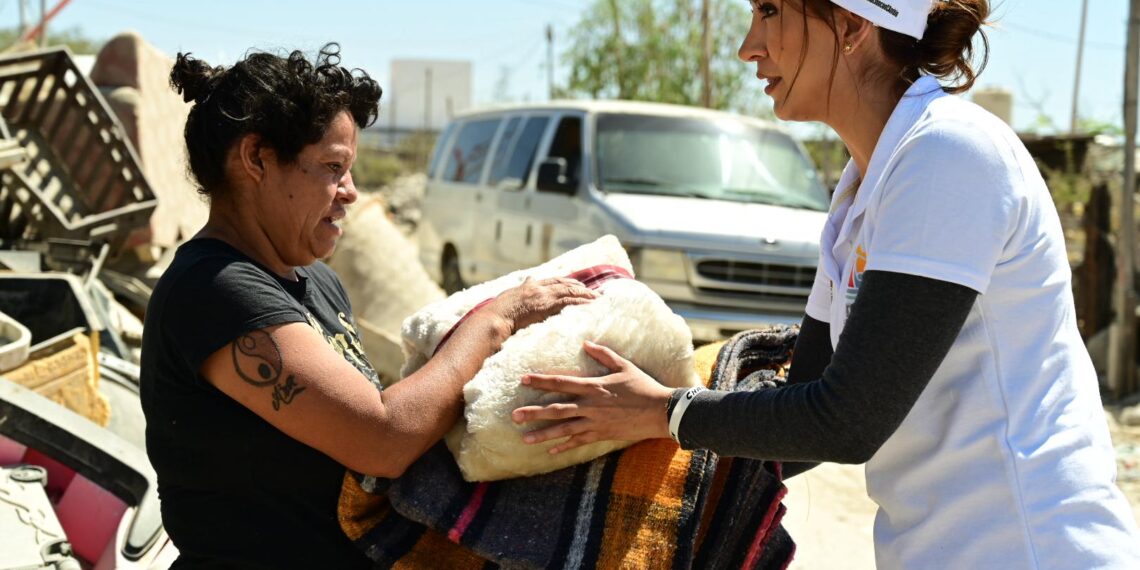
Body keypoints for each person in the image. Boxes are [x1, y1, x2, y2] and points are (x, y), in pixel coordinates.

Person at [512, 1, 1140, 567]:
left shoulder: (949, 153)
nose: (748, 46)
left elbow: (845, 422)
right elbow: (801, 410)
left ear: (852, 23)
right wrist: (599, 436)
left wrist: (661, 411)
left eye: (770, 11)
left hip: (1030, 550)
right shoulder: (862, 186)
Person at [139, 44, 596, 569]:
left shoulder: (318, 281)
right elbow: (382, 438)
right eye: (333, 167)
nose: (352, 192)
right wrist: (497, 319)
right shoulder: (214, 289)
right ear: (256, 158)